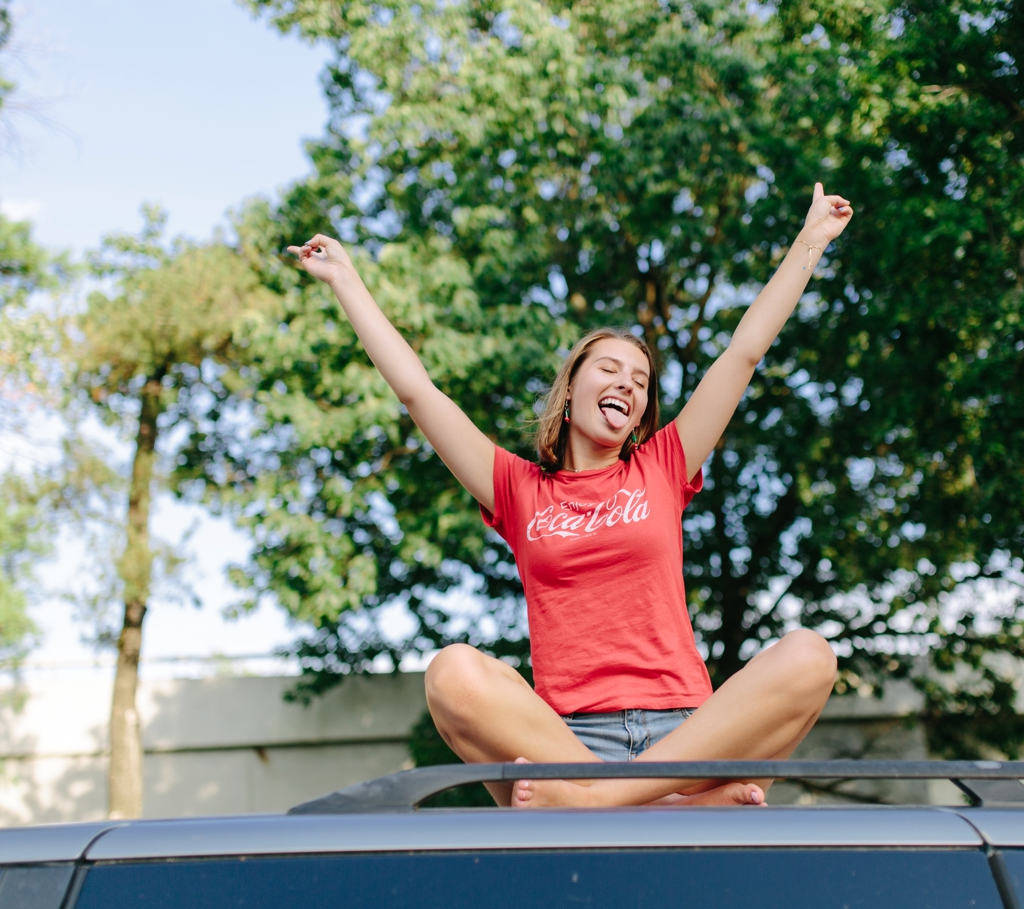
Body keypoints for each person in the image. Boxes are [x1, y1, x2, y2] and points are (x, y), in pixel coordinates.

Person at [289, 182, 853, 808]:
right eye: (609, 368)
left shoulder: (661, 465)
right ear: (572, 388)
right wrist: (345, 280)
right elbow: (419, 392)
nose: (628, 383)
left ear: (639, 414)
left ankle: (606, 807)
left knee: (809, 655)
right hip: (570, 745)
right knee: (450, 672)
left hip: (689, 733)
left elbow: (743, 354)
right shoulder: (517, 488)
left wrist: (811, 240)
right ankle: (674, 809)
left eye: (640, 380)